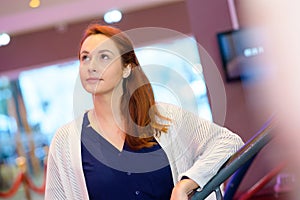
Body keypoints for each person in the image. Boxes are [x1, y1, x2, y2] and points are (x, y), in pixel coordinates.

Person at [45, 23, 244, 200]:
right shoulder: (65, 140)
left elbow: (229, 142)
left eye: (104, 56)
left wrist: (186, 184)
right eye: (85, 58)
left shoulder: (163, 117)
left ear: (127, 69)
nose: (91, 66)